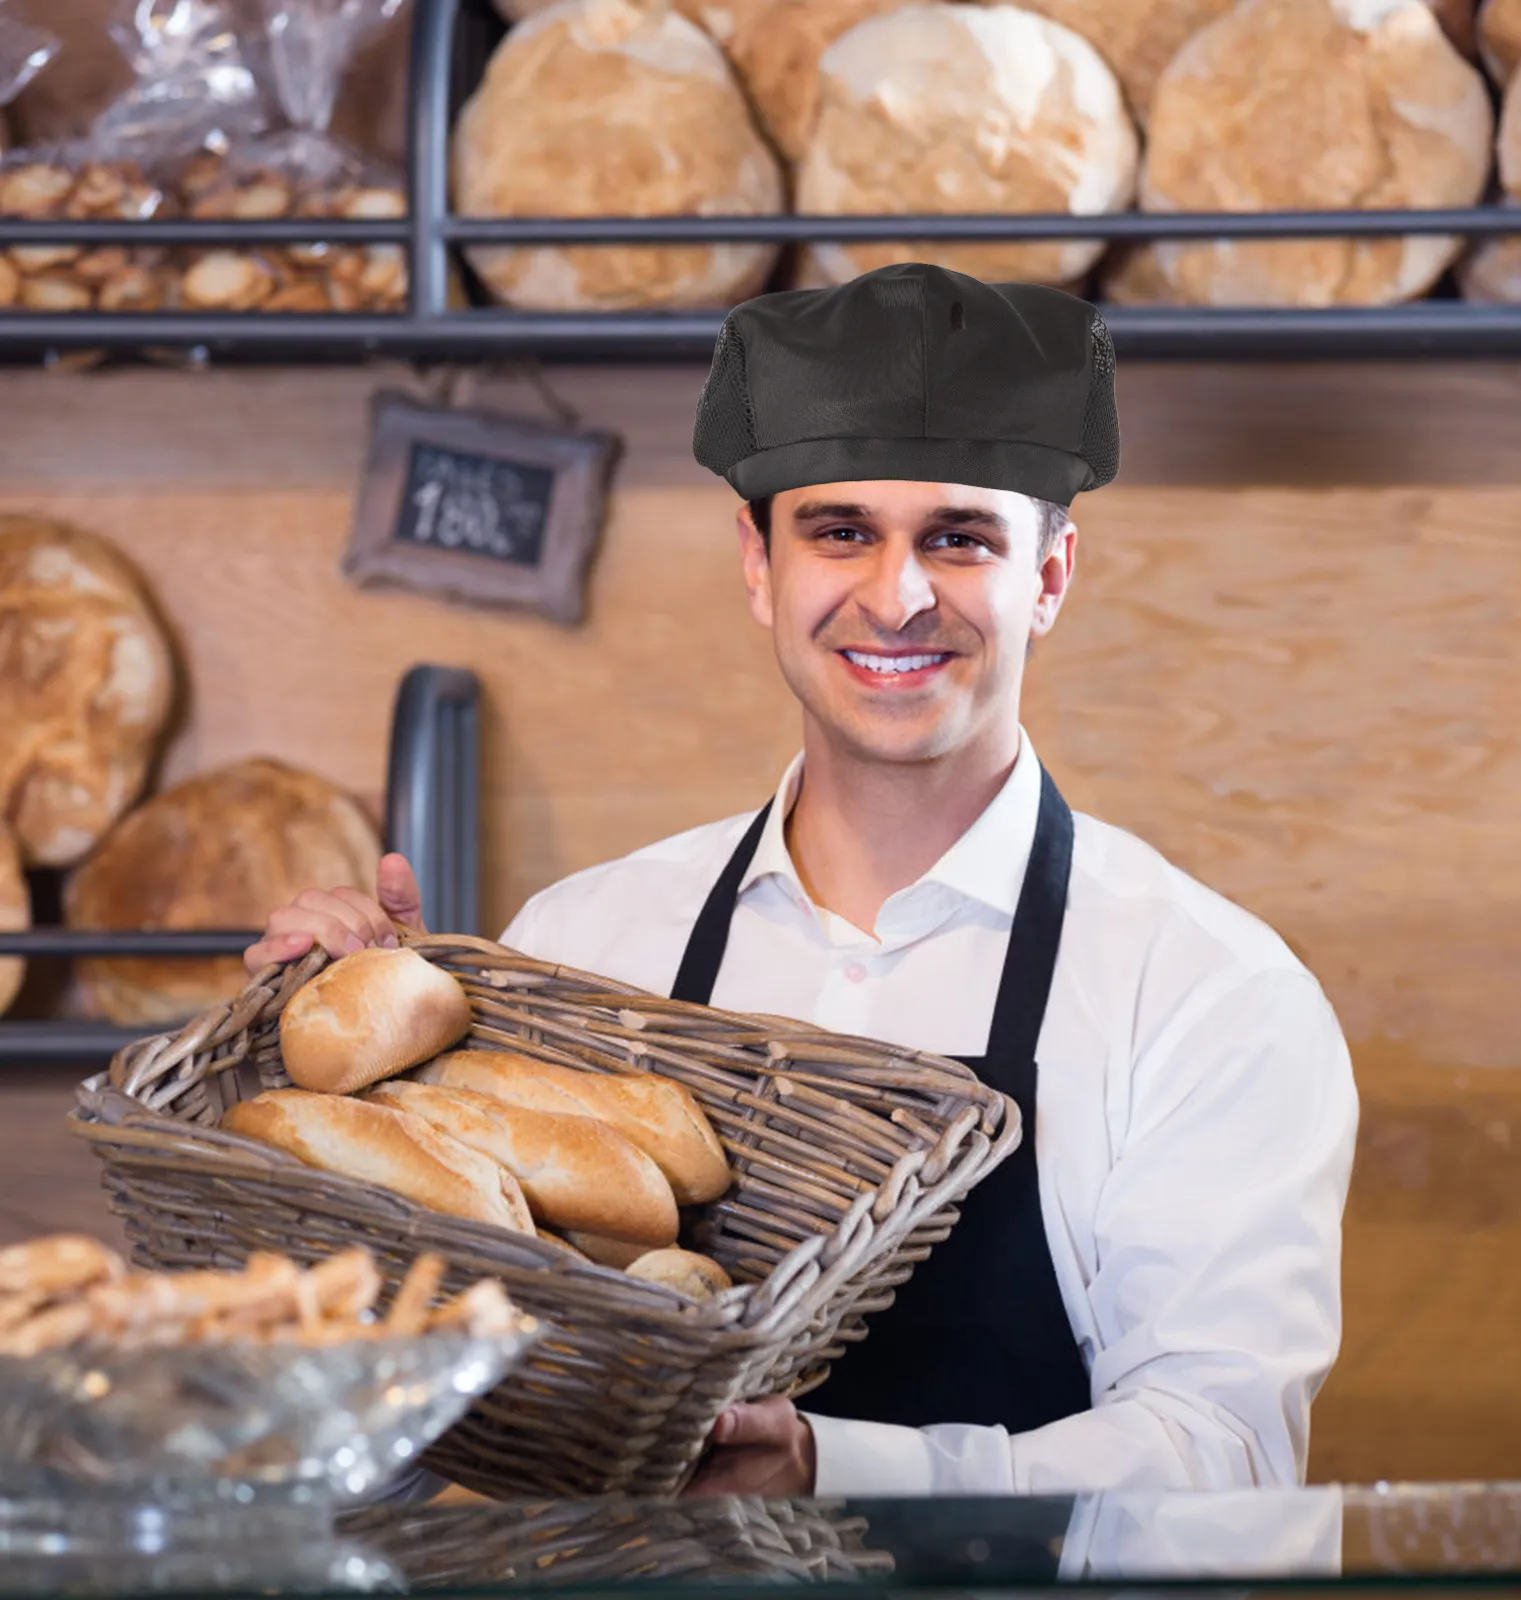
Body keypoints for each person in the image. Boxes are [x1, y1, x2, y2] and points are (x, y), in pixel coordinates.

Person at [244, 263, 1359, 1500]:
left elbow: (1227, 1473)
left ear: (1047, 576)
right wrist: (375, 1101)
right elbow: (447, 1435)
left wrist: (834, 1468)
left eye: (959, 537)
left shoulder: (1206, 993)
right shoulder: (583, 941)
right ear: (760, 564)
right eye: (841, 532)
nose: (897, 595)